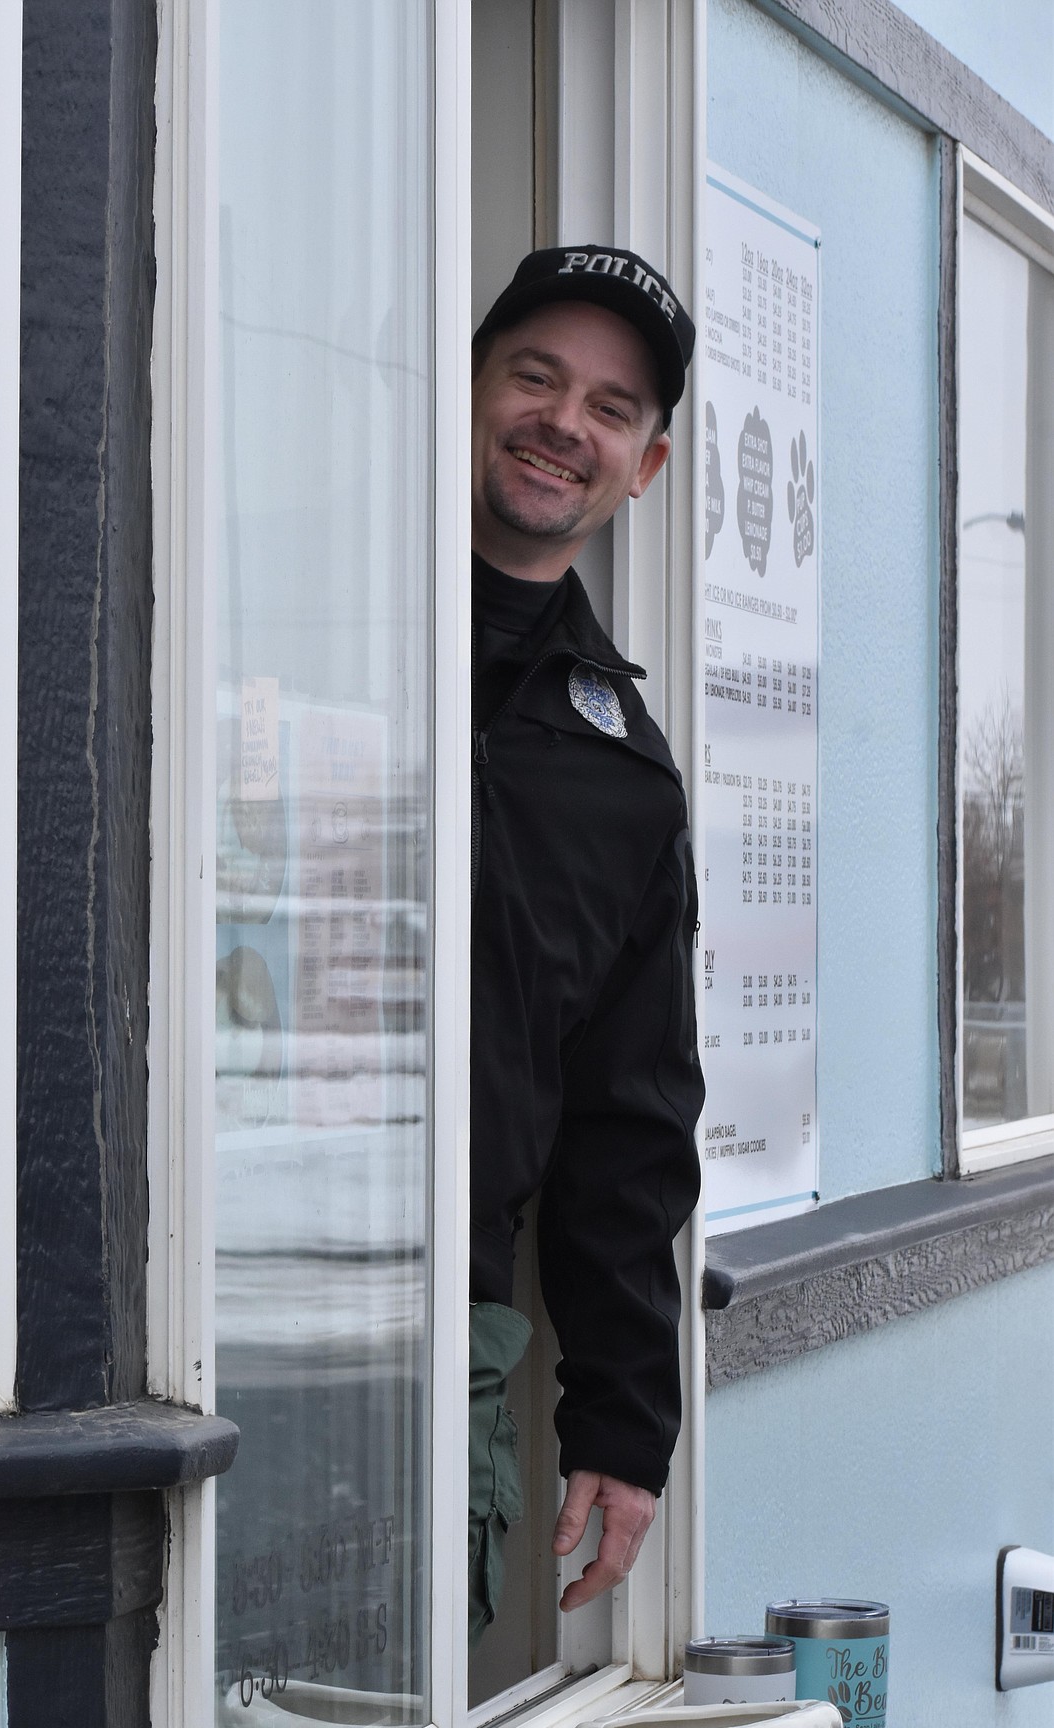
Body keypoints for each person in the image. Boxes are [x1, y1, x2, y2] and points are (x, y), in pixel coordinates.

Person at [467, 247, 705, 1645]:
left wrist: (621, 1420)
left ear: (645, 466)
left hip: (445, 1339)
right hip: (187, 1285)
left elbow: (627, 1122)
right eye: (536, 377)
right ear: (470, 388)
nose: (566, 422)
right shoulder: (273, 615)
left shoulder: (622, 779)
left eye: (610, 408)